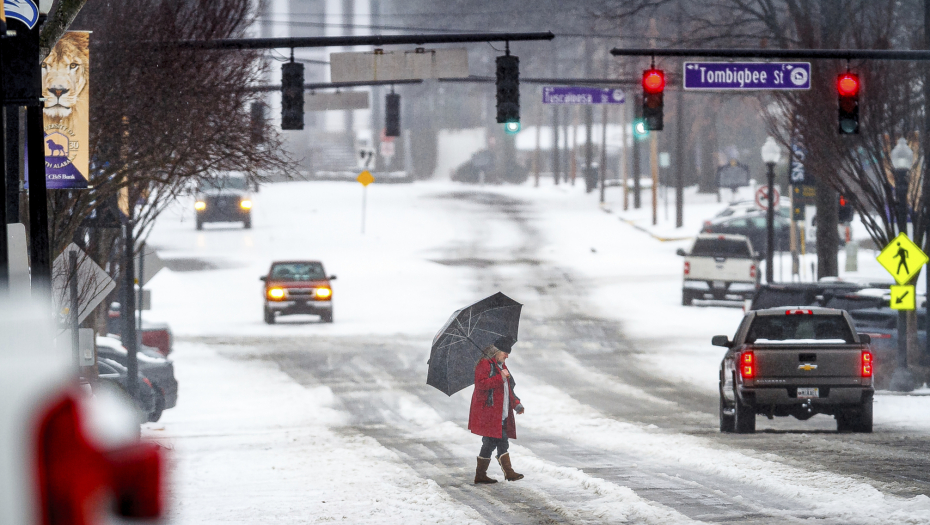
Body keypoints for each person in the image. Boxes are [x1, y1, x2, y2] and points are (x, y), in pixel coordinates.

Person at [469, 335, 525, 484]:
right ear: (496, 351)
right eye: (505, 353)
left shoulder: (501, 366)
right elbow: (481, 385)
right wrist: (499, 377)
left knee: (489, 443)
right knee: (501, 440)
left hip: (501, 413)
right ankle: (508, 472)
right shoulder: (485, 364)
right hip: (489, 414)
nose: (507, 356)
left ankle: (481, 475)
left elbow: (508, 389)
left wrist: (516, 404)